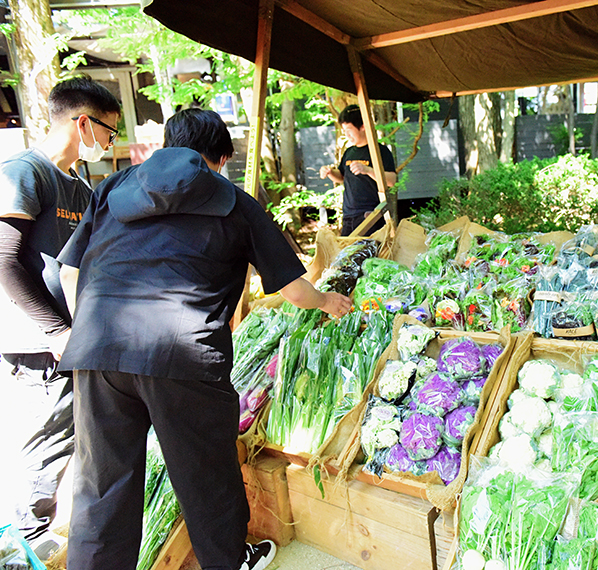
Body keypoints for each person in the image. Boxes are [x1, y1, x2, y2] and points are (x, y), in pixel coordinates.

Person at [57, 108, 353, 570]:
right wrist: (327, 302)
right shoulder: (234, 200)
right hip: (180, 352)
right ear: (218, 158)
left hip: (96, 349)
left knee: (101, 484)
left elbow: (69, 269)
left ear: (170, 143)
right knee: (205, 475)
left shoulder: (113, 187)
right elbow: (294, 290)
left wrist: (90, 332)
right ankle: (229, 562)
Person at [0, 75, 121, 544]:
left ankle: (46, 532)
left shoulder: (77, 184)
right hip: (39, 343)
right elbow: (5, 260)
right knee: (45, 445)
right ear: (84, 123)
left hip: (75, 337)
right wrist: (54, 333)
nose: (109, 144)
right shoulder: (24, 173)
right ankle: (24, 544)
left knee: (73, 438)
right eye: (109, 133)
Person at [319, 104, 397, 236]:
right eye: (344, 130)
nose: (347, 135)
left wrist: (367, 170)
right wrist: (330, 173)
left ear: (362, 127)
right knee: (347, 254)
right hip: (348, 215)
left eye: (349, 130)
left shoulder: (380, 151)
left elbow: (391, 181)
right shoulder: (349, 152)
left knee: (367, 254)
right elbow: (342, 177)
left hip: (370, 215)